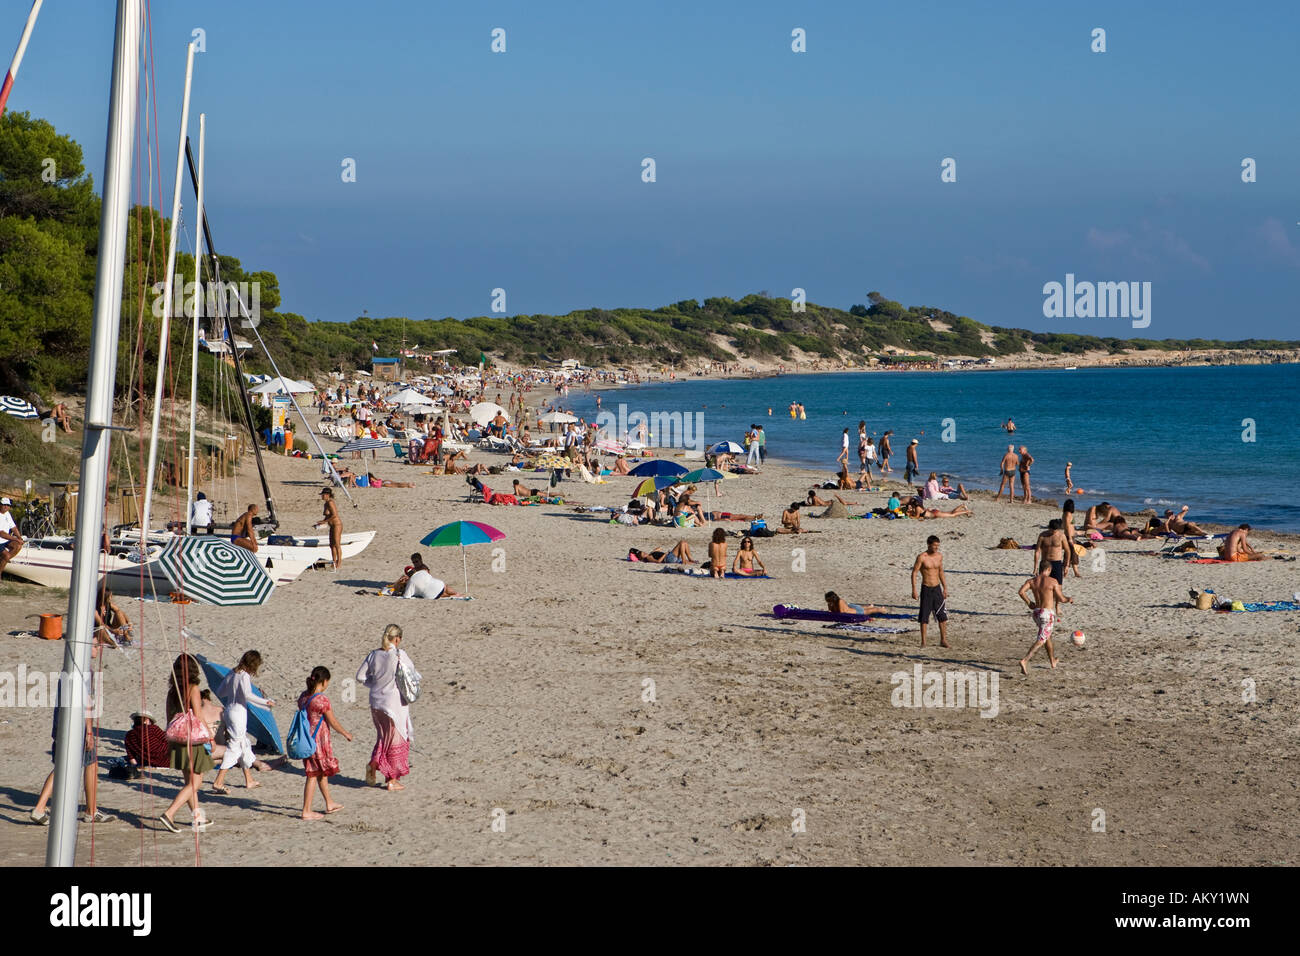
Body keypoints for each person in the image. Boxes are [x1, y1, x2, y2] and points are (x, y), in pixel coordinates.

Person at [30, 628, 111, 825]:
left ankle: (91, 810)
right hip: (76, 727)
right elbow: (86, 704)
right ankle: (41, 808)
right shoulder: (85, 672)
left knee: (78, 764)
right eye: (94, 645)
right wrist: (89, 732)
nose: (98, 648)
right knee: (71, 765)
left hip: (61, 724)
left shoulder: (68, 669)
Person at [357, 625, 420, 790]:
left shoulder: (373, 654)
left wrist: (375, 685)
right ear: (397, 639)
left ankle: (374, 762)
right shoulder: (399, 655)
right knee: (396, 739)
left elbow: (360, 676)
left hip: (376, 703)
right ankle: (391, 780)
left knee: (383, 738)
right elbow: (413, 674)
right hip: (394, 704)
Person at [159, 654, 214, 833]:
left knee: (188, 781)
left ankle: (198, 818)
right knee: (195, 783)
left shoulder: (172, 690)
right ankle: (170, 813)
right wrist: (211, 737)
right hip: (193, 740)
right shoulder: (193, 688)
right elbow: (198, 716)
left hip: (176, 738)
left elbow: (168, 718)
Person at [211, 651, 274, 794]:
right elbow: (247, 695)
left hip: (229, 710)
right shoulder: (244, 675)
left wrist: (233, 691)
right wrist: (265, 702)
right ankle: (219, 781)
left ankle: (249, 779)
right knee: (235, 747)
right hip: (238, 712)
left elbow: (220, 692)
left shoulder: (232, 673)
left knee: (244, 743)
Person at [298, 666, 352, 820]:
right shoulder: (321, 699)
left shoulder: (303, 697)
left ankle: (329, 803)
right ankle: (306, 810)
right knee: (313, 774)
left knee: (321, 772)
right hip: (318, 741)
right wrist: (345, 733)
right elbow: (332, 721)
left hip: (306, 739)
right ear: (324, 681)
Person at [1018, 558, 1073, 674]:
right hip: (1046, 614)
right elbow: (1061, 598)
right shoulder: (1053, 581)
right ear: (1048, 569)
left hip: (1037, 613)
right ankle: (1025, 660)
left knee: (1047, 636)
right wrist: (1069, 599)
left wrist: (1029, 603)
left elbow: (1021, 592)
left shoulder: (1032, 581)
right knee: (1042, 639)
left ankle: (1052, 660)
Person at [910, 535, 949, 648]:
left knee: (942, 615)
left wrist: (945, 588)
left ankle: (943, 640)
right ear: (929, 544)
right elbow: (914, 573)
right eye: (934, 545)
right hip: (926, 588)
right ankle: (923, 642)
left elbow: (941, 572)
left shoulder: (939, 556)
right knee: (924, 616)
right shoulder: (922, 557)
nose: (936, 547)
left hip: (937, 588)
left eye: (938, 545)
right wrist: (914, 590)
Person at [1033, 518, 1070, 585]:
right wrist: (1035, 567)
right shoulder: (1042, 535)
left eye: (1055, 531)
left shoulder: (1061, 536)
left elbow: (1067, 551)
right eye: (1052, 530)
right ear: (1049, 528)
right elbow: (1037, 551)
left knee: (1058, 586)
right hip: (1045, 562)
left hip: (1057, 562)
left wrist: (1066, 565)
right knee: (1044, 585)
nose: (1053, 532)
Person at [314, 488, 342, 570]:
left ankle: (339, 562)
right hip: (331, 525)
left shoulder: (330, 503)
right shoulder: (326, 504)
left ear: (327, 495)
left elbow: (334, 515)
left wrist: (325, 521)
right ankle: (334, 561)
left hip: (337, 525)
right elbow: (327, 516)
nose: (321, 496)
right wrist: (321, 522)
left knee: (337, 544)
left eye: (323, 495)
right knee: (331, 545)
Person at [0, 496, 24, 577]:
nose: (6, 507)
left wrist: (19, 538)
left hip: (5, 539)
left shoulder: (7, 514)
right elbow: (1, 533)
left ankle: (3, 560)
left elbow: (13, 527)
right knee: (6, 556)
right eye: (4, 505)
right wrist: (16, 539)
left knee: (18, 546)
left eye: (8, 505)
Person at [1061, 499, 1082, 578]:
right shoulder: (1067, 514)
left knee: (1070, 554)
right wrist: (1070, 538)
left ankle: (1071, 571)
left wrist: (1076, 532)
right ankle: (1073, 572)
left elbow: (1070, 526)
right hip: (1069, 536)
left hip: (1071, 535)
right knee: (1072, 554)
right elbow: (1067, 527)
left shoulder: (1066, 514)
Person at [628, 540, 694, 564]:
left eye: (644, 552)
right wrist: (665, 554)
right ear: (641, 558)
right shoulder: (648, 558)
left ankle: (689, 560)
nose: (645, 553)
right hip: (668, 558)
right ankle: (684, 560)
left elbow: (659, 548)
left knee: (684, 543)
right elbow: (658, 561)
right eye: (643, 554)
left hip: (670, 557)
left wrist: (653, 551)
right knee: (682, 543)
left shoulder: (650, 554)